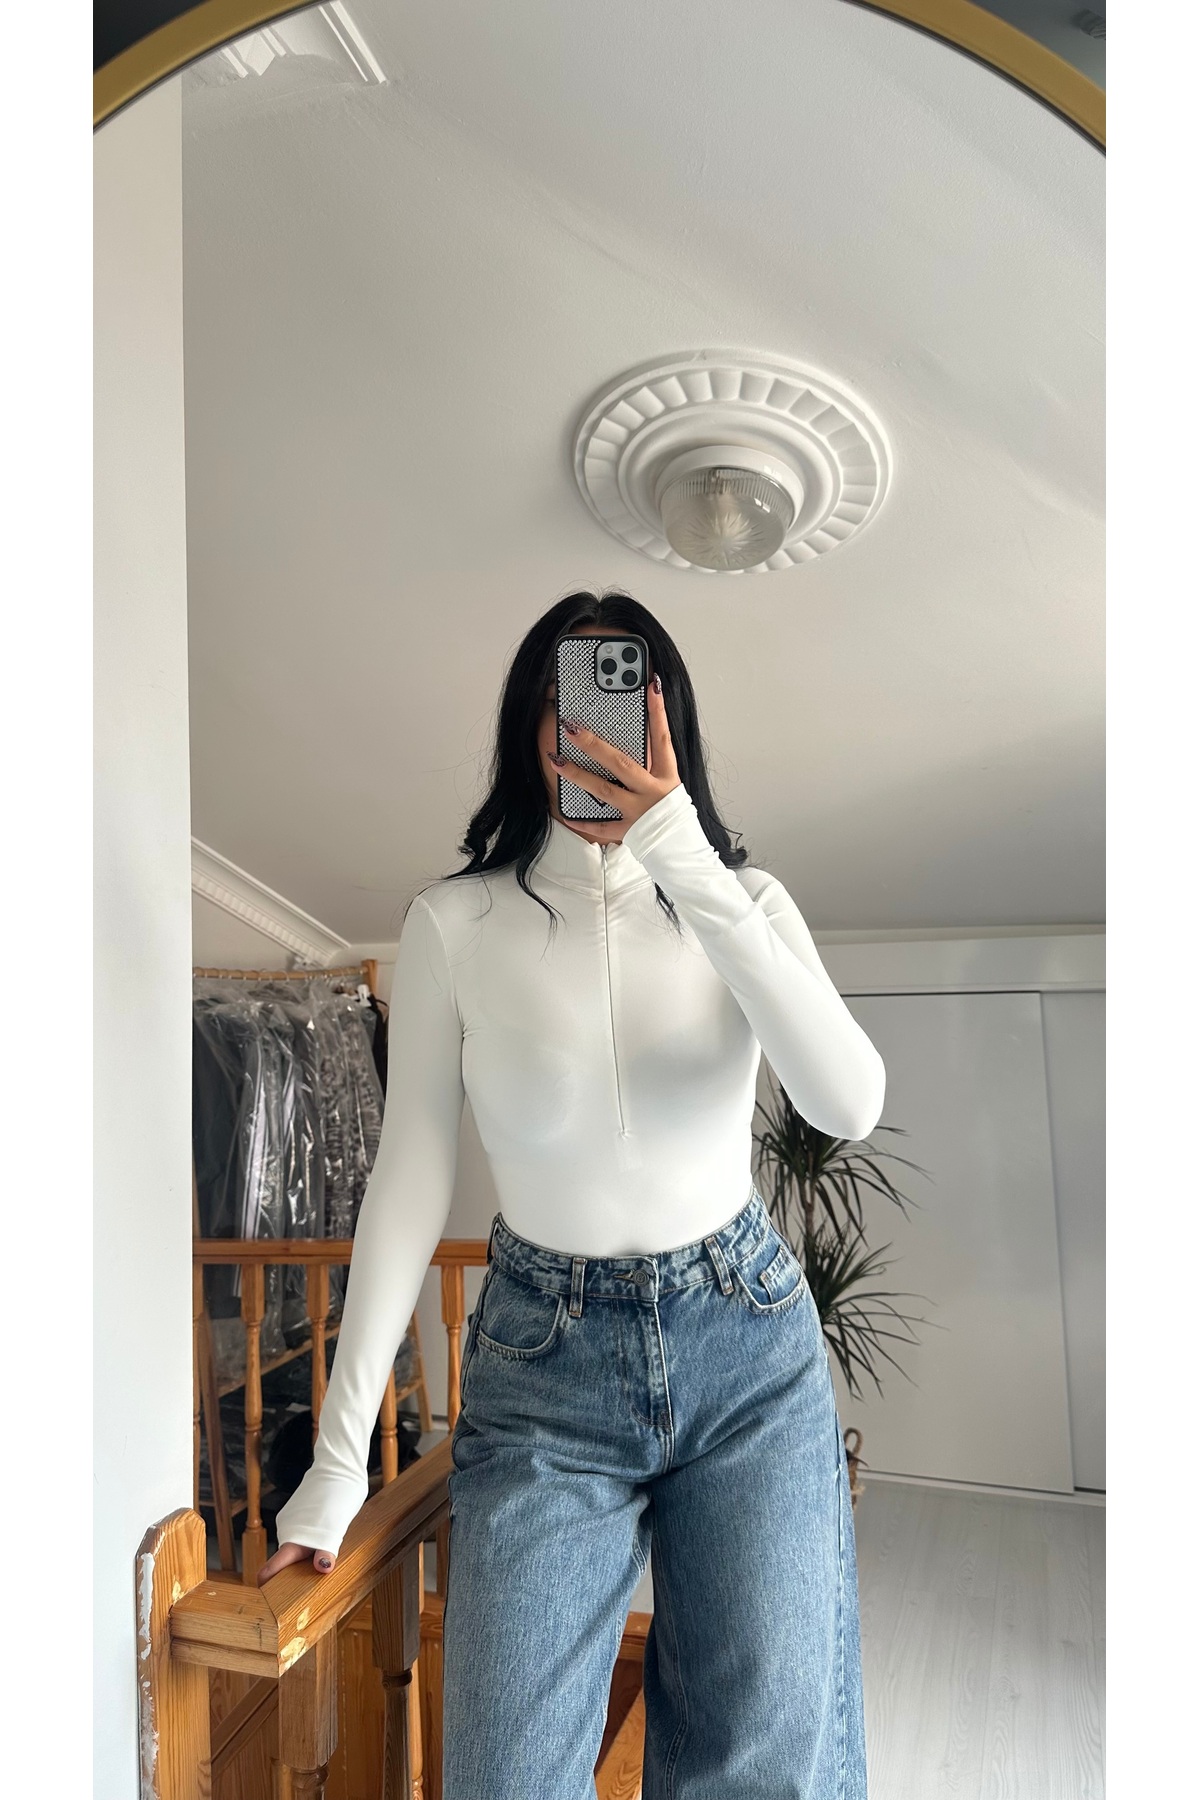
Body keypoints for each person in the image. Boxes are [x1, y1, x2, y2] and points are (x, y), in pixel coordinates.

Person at [260, 588, 885, 1798]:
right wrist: (337, 1464)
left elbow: (846, 1101)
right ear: (526, 725)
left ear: (666, 720)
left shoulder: (745, 903)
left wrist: (680, 851)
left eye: (617, 698)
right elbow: (409, 1175)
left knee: (767, 1765)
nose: (586, 731)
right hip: (543, 1364)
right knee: (505, 1774)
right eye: (561, 702)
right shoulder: (454, 923)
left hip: (747, 1348)